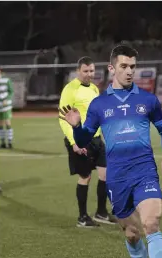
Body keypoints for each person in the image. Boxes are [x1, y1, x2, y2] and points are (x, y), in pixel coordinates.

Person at [59, 45, 162, 258]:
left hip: (144, 170)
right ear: (112, 68)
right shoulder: (100, 105)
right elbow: (85, 138)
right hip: (117, 177)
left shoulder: (147, 100)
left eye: (133, 66)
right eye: (124, 66)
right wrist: (76, 127)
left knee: (152, 223)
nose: (129, 71)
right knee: (132, 233)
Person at [59, 56, 116, 228]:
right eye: (85, 71)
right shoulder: (70, 89)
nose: (89, 74)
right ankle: (82, 217)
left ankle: (101, 212)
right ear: (78, 71)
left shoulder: (93, 88)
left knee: (106, 175)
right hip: (79, 140)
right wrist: (74, 142)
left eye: (92, 71)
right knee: (85, 177)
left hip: (96, 139)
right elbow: (64, 118)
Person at [0, 66, 14, 149]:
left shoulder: (6, 80)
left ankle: (10, 142)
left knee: (7, 122)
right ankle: (2, 142)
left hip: (6, 106)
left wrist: (7, 99)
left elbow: (11, 91)